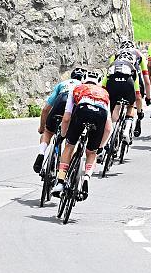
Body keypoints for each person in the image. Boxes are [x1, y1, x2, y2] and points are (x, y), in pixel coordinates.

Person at [51, 70, 113, 199]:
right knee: (91, 153)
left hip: (82, 109)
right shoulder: (104, 93)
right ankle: (86, 178)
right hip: (100, 114)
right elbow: (108, 128)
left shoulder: (77, 88)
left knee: (70, 146)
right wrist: (100, 147)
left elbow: (67, 117)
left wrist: (63, 136)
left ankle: (60, 182)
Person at [33, 68, 86, 173]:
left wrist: (42, 127)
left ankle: (41, 153)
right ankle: (62, 169)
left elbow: (45, 109)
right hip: (73, 105)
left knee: (48, 132)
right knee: (70, 142)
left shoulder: (63, 84)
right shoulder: (83, 87)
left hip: (61, 99)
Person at [112, 40, 151, 137]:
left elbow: (109, 72)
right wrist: (148, 97)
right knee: (131, 104)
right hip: (133, 80)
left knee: (116, 105)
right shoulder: (139, 54)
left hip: (114, 81)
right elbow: (146, 80)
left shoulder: (116, 55)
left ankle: (112, 132)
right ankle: (128, 128)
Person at [102, 50, 139, 146]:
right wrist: (140, 110)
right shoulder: (132, 67)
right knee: (131, 106)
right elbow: (138, 91)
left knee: (112, 107)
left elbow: (103, 85)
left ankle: (110, 132)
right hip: (128, 83)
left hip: (112, 84)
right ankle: (126, 130)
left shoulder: (113, 65)